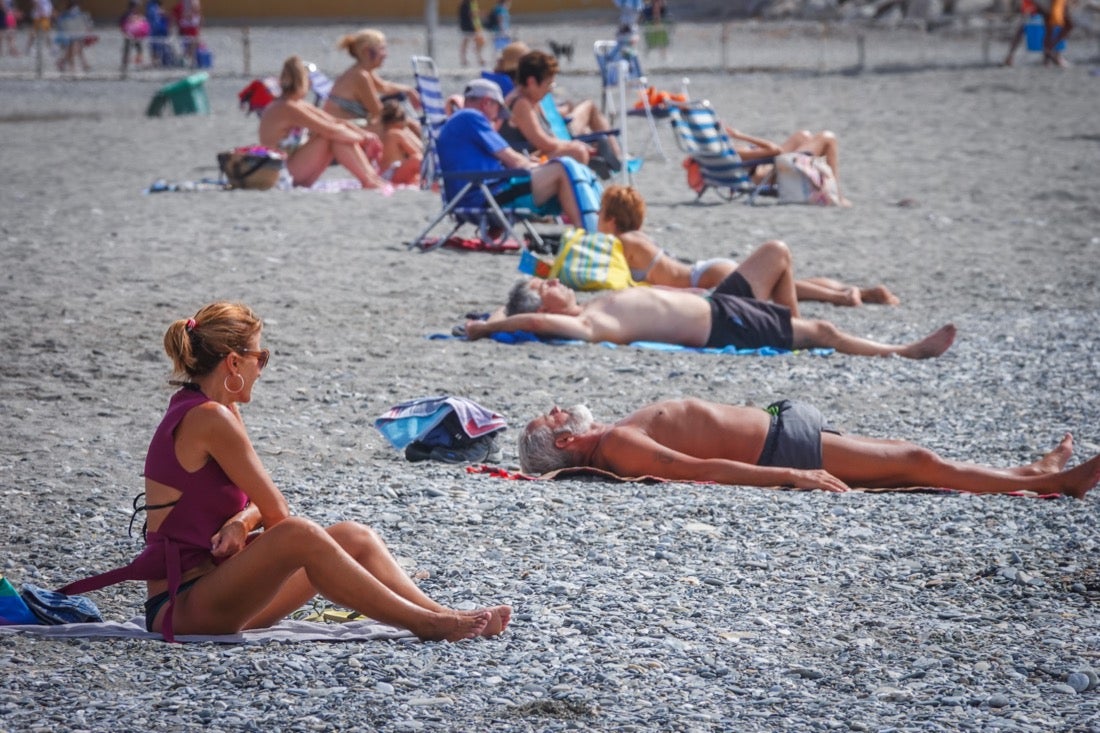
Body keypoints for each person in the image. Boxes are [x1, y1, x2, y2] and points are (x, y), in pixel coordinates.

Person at [60, 302, 510, 643]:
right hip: (182, 608)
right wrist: (250, 520)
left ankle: (442, 613)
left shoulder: (220, 411)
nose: (262, 369)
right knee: (299, 533)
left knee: (353, 535)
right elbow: (278, 513)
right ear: (233, 363)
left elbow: (260, 507)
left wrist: (241, 522)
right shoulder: (209, 418)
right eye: (261, 357)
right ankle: (425, 624)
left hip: (223, 592)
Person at [517, 400, 1100, 498]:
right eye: (555, 414)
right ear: (566, 440)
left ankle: (1027, 471)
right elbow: (701, 469)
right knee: (917, 464)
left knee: (904, 455)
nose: (562, 405)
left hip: (783, 432)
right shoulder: (618, 444)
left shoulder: (616, 439)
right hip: (782, 447)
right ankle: (1051, 483)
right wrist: (791, 476)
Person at [465, 272, 955, 359]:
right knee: (823, 331)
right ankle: (902, 351)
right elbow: (530, 323)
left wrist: (496, 312)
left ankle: (792, 327)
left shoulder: (592, 306)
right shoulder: (586, 325)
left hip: (718, 303)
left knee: (775, 252)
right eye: (545, 288)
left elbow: (523, 313)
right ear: (543, 306)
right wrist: (488, 326)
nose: (555, 281)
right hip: (721, 325)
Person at [598, 184, 899, 308]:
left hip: (705, 277)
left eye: (600, 214)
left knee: (783, 288)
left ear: (611, 219)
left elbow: (604, 270)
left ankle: (842, 296)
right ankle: (856, 290)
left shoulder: (622, 242)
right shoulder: (639, 236)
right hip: (706, 270)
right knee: (786, 284)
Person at [435, 78, 585, 229]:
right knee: (562, 169)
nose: (496, 118)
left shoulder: (460, 123)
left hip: (480, 193)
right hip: (487, 197)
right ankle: (585, 231)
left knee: (564, 171)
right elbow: (515, 162)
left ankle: (583, 230)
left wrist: (535, 164)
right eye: (497, 110)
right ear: (486, 102)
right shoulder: (471, 117)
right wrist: (542, 165)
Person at [258, 55, 389, 189]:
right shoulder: (286, 107)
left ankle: (371, 177)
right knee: (330, 136)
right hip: (281, 175)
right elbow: (330, 130)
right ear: (305, 82)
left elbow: (336, 121)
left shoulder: (297, 104)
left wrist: (366, 135)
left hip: (294, 170)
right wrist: (364, 140)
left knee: (335, 134)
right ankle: (368, 179)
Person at [500, 50, 622, 177]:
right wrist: (572, 144)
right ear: (532, 82)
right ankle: (600, 159)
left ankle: (599, 157)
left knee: (578, 147)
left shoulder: (532, 100)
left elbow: (549, 135)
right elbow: (544, 143)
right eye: (548, 84)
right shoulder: (521, 104)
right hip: (523, 166)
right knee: (577, 152)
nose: (549, 90)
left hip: (535, 157)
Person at [325, 28, 422, 142]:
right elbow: (379, 112)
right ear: (367, 51)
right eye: (382, 49)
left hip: (346, 128)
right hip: (341, 134)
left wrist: (409, 90)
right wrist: (408, 121)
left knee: (405, 125)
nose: (386, 55)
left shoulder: (361, 71)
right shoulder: (360, 76)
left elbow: (384, 87)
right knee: (399, 128)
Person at [725, 125, 850, 207]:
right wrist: (739, 135)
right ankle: (836, 194)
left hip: (774, 168)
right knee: (828, 138)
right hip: (779, 172)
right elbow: (775, 150)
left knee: (803, 135)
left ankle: (821, 186)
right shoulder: (734, 151)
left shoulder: (727, 152)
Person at [379, 99, 422, 186]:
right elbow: (419, 152)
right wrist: (408, 131)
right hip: (390, 175)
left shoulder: (384, 133)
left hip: (386, 174)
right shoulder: (395, 134)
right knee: (417, 159)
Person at [171, 0, 200, 67]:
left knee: (192, 43)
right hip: (186, 24)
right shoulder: (184, 2)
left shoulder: (192, 2)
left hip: (190, 24)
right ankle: (188, 60)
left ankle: (191, 61)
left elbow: (196, 10)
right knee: (187, 44)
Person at [458, 0, 485, 68]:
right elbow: (470, 14)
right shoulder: (466, 4)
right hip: (469, 26)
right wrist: (479, 13)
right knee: (470, 42)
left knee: (472, 42)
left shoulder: (470, 3)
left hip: (470, 26)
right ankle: (475, 58)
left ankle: (477, 58)